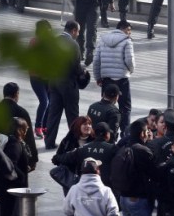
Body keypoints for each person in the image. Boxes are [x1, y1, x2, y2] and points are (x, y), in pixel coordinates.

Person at [45, 20, 85, 150]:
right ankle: (74, 143)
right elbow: (76, 66)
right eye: (78, 32)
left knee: (53, 114)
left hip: (54, 83)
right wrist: (83, 72)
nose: (78, 34)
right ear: (73, 30)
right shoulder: (73, 44)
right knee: (72, 116)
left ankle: (49, 141)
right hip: (68, 84)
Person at [54, 116, 95, 216]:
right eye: (85, 124)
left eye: (89, 124)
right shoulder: (68, 141)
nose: (88, 126)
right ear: (78, 126)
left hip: (88, 181)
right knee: (72, 211)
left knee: (87, 210)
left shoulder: (94, 140)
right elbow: (57, 158)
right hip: (70, 181)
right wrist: (73, 155)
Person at [94, 20, 135, 138]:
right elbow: (130, 60)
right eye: (129, 30)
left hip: (106, 79)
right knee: (125, 108)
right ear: (123, 29)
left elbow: (96, 61)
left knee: (106, 106)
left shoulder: (103, 40)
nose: (129, 33)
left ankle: (104, 133)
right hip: (122, 79)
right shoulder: (127, 41)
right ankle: (125, 135)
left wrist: (98, 77)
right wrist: (130, 70)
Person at [52, 122, 116, 187]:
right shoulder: (113, 149)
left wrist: (56, 158)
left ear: (94, 133)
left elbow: (65, 158)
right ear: (107, 134)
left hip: (85, 185)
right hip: (107, 185)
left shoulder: (83, 148)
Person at [0, 118, 31, 216]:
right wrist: (22, 175)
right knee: (7, 214)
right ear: (19, 130)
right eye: (25, 128)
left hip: (11, 185)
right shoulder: (14, 144)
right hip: (11, 186)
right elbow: (11, 164)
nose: (26, 131)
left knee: (10, 214)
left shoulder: (14, 142)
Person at [0, 82, 39, 169]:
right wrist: (33, 159)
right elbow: (29, 137)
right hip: (16, 154)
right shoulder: (21, 112)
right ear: (16, 94)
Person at [29, 20, 52, 139]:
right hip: (36, 77)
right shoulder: (35, 42)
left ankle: (44, 126)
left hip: (47, 77)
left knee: (49, 101)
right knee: (44, 101)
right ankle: (38, 127)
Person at [75, 0, 100, 66]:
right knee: (91, 28)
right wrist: (110, 0)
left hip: (80, 2)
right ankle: (89, 51)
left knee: (80, 28)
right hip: (93, 2)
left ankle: (80, 51)